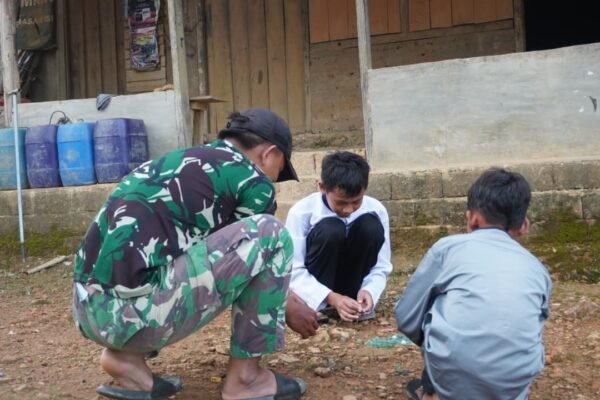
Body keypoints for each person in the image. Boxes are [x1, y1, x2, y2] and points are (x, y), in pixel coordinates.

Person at [72, 108, 315, 400]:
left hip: (88, 312)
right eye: (280, 169)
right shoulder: (253, 180)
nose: (274, 179)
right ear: (269, 154)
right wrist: (290, 304)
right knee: (271, 233)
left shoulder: (176, 161)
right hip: (137, 317)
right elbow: (255, 257)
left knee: (154, 259)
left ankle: (127, 361)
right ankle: (246, 380)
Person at [394, 168, 552, 400]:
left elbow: (406, 317)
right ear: (524, 226)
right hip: (513, 383)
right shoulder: (537, 269)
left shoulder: (447, 249)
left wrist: (435, 344)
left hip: (450, 374)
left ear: (472, 218)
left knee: (439, 310)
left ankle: (433, 392)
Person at [285, 151, 393, 322]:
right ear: (322, 187)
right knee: (331, 229)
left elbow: (381, 264)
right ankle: (322, 306)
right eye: (341, 202)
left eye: (356, 201)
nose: (348, 209)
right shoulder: (301, 212)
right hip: (318, 291)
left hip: (354, 285)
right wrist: (331, 297)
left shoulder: (376, 210)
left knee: (370, 226)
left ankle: (356, 303)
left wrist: (370, 291)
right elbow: (293, 269)